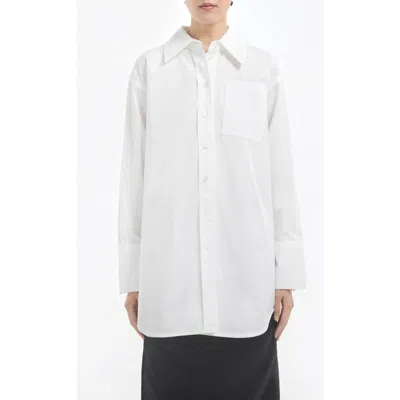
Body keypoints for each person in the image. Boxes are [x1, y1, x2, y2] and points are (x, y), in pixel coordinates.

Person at [118, 1, 306, 398]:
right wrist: (133, 277)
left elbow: (279, 174)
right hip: (169, 286)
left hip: (246, 286)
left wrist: (286, 273)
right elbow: (134, 177)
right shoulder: (150, 70)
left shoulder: (262, 69)